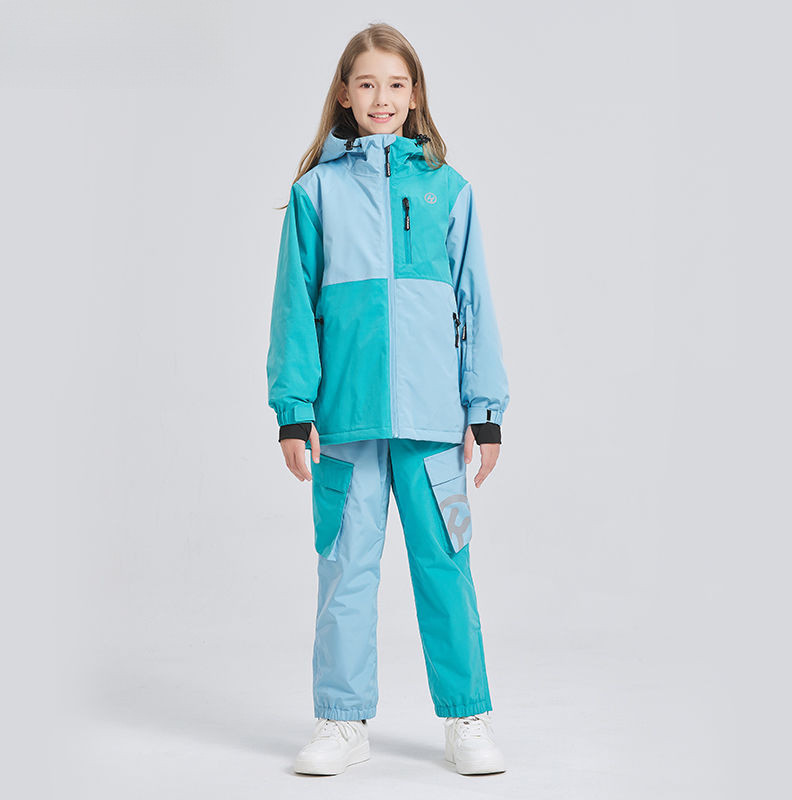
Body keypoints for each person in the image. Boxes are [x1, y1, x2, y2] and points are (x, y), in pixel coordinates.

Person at [266, 22, 510, 776]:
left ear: (414, 94)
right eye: (367, 83)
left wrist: (485, 412)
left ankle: (467, 717)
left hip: (435, 421)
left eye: (396, 85)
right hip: (345, 422)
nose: (382, 97)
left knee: (446, 568)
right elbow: (293, 309)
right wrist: (293, 411)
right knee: (345, 570)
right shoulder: (316, 192)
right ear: (345, 93)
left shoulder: (448, 190)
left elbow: (474, 302)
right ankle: (341, 721)